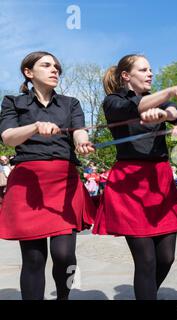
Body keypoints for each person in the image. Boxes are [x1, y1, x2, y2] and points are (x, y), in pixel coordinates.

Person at [92, 54, 177, 300]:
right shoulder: (113, 101)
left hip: (160, 180)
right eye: (144, 69)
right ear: (126, 76)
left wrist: (169, 115)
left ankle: (147, 292)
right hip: (130, 182)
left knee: (166, 257)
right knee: (146, 261)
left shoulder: (158, 102)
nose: (150, 73)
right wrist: (169, 92)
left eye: (151, 69)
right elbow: (133, 108)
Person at [0, 51, 96, 300]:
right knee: (33, 258)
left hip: (63, 182)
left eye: (56, 66)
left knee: (64, 255)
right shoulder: (13, 102)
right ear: (29, 73)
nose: (55, 69)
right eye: (46, 65)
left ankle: (63, 297)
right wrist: (34, 126)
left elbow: (79, 132)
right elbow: (8, 137)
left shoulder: (70, 103)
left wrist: (82, 142)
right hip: (28, 182)